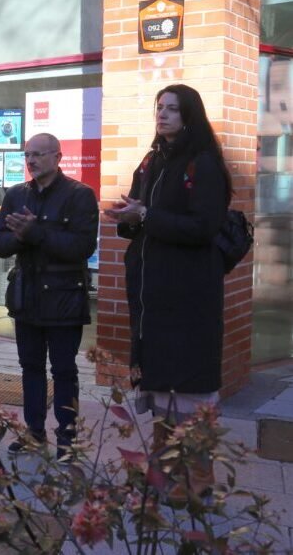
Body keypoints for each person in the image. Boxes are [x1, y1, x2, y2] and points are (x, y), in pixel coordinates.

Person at [104, 84, 229, 453]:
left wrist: (145, 215)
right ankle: (163, 476)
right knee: (160, 391)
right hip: (152, 293)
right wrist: (129, 217)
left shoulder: (203, 163)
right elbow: (140, 213)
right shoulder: (151, 160)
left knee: (189, 390)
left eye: (172, 109)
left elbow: (203, 227)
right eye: (159, 107)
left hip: (188, 294)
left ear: (189, 114)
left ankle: (195, 485)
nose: (162, 114)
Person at [0, 132, 98, 458]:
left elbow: (82, 247)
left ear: (57, 156)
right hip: (28, 295)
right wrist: (23, 237)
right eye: (28, 155)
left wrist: (35, 233)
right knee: (30, 368)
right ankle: (34, 434)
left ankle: (68, 441)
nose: (32, 160)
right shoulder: (16, 195)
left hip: (64, 296)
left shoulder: (79, 195)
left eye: (38, 154)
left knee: (64, 371)